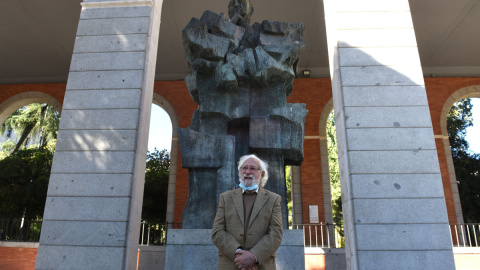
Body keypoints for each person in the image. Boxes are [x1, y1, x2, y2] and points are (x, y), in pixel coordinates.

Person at [212, 154, 283, 270]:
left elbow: (276, 234)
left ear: (262, 173)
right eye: (244, 168)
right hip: (231, 263)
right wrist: (239, 254)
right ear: (240, 173)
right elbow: (217, 231)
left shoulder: (273, 199)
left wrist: (254, 256)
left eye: (253, 168)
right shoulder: (225, 198)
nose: (248, 172)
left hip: (261, 265)